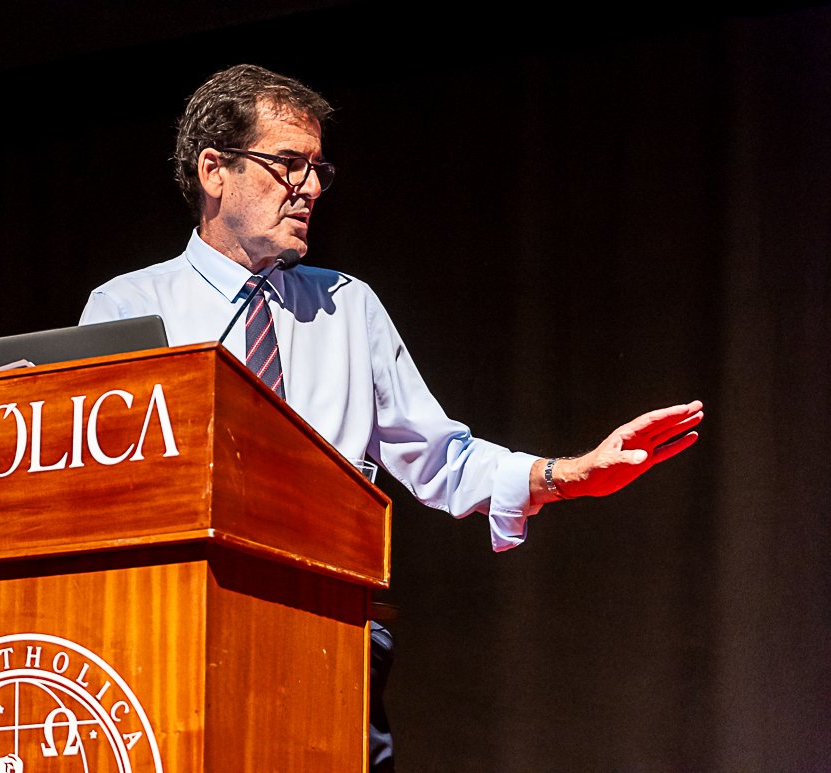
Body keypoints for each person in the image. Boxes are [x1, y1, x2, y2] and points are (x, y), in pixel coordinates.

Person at [79, 63, 703, 772]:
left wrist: (566, 474)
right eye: (288, 164)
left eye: (318, 169)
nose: (311, 188)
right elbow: (96, 494)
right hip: (179, 638)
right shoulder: (128, 309)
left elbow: (443, 458)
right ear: (215, 170)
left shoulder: (348, 307)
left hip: (330, 639)